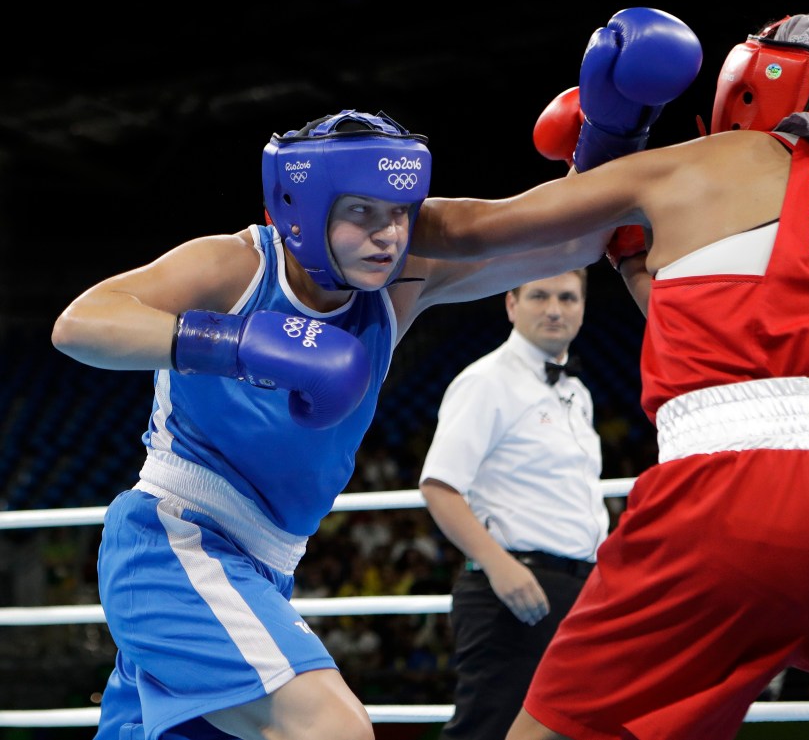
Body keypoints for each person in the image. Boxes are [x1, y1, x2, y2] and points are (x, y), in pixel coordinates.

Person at [411, 9, 809, 740]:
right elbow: (714, 320)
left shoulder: (702, 162)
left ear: (755, 82)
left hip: (734, 500)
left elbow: (469, 228)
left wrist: (343, 206)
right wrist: (625, 247)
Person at [46, 106, 621, 740]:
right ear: (303, 207)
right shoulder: (238, 268)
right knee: (332, 729)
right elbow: (81, 324)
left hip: (267, 565)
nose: (387, 236)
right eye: (361, 212)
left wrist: (609, 138)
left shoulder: (397, 289)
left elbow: (564, 244)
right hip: (178, 543)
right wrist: (242, 342)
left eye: (400, 213)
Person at [419, 269, 608, 740]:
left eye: (567, 298)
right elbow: (439, 485)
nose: (554, 309)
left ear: (582, 307)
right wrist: (500, 567)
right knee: (487, 731)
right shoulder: (486, 381)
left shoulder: (576, 393)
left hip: (581, 589)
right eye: (539, 296)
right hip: (512, 590)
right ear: (511, 304)